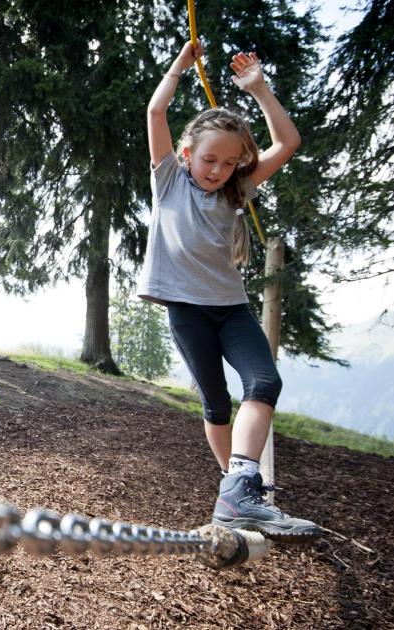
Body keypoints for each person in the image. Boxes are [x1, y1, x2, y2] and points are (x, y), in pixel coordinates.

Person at [138, 42, 321, 541]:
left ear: (239, 165)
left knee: (264, 383)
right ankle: (236, 491)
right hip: (187, 311)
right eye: (208, 160)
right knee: (216, 403)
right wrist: (179, 66)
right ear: (186, 155)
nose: (216, 170)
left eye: (227, 162)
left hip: (231, 310)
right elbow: (157, 110)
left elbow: (287, 143)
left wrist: (259, 89)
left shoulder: (238, 189)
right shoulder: (168, 181)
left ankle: (240, 485)